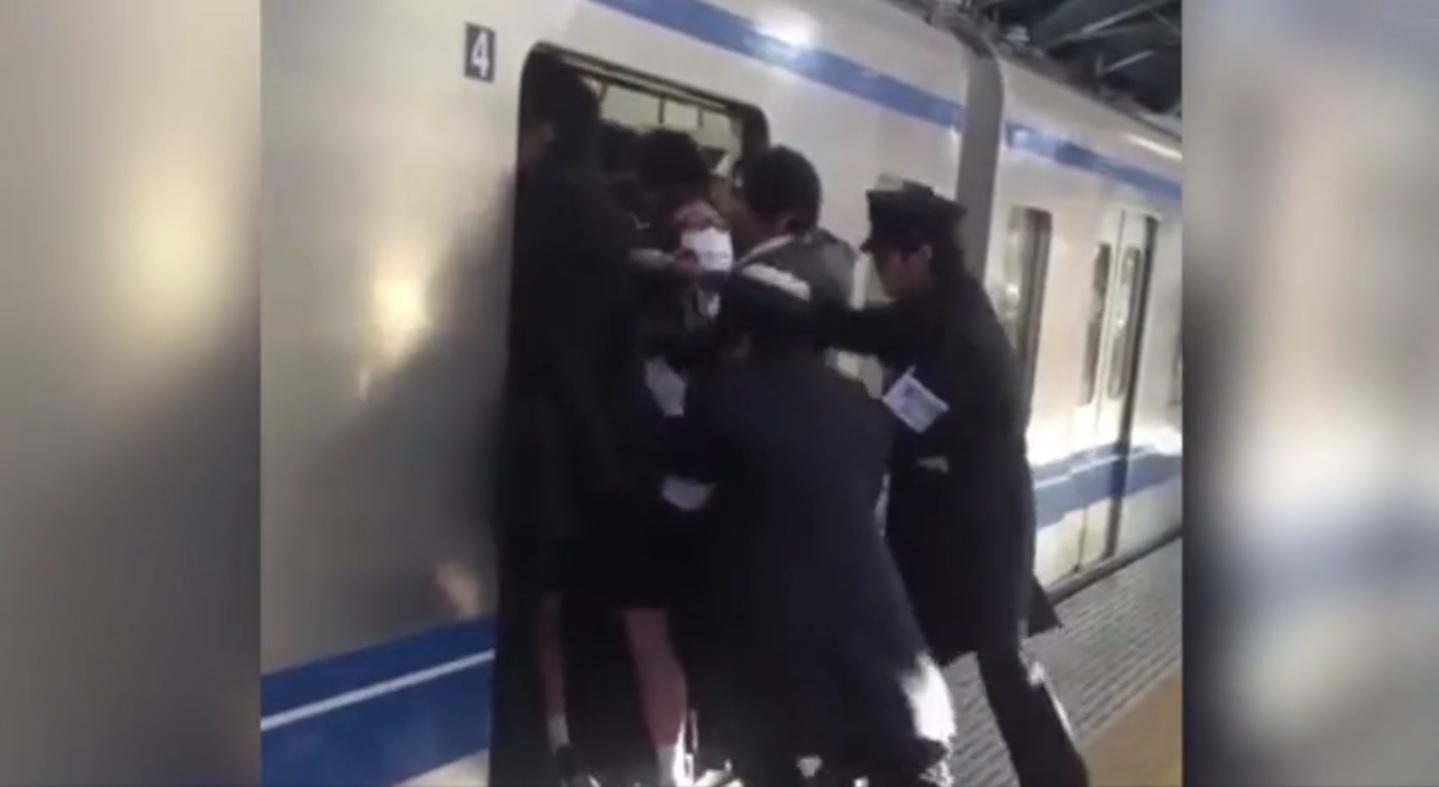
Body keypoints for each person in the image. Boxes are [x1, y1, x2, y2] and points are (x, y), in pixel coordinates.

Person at [815, 187, 1089, 787]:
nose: (880, 274)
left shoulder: (960, 336)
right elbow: (863, 329)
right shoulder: (935, 308)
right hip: (942, 520)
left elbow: (896, 424)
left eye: (885, 260)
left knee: (1001, 660)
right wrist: (780, 304)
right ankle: (868, 762)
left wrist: (825, 417)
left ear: (920, 255)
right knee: (907, 651)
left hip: (982, 525)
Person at [662, 262, 956, 787]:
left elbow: (682, 502)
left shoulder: (723, 398)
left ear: (740, 335)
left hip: (767, 640)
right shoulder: (861, 406)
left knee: (766, 757)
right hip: (878, 635)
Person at [496, 52, 657, 787]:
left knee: (541, 619)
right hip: (589, 455)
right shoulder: (597, 206)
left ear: (545, 128)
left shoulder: (548, 204)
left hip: (554, 457)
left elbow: (554, 346)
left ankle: (547, 757)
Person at [725, 146, 857, 310]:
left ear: (784, 221)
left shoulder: (757, 286)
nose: (728, 210)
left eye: (739, 198)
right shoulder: (833, 258)